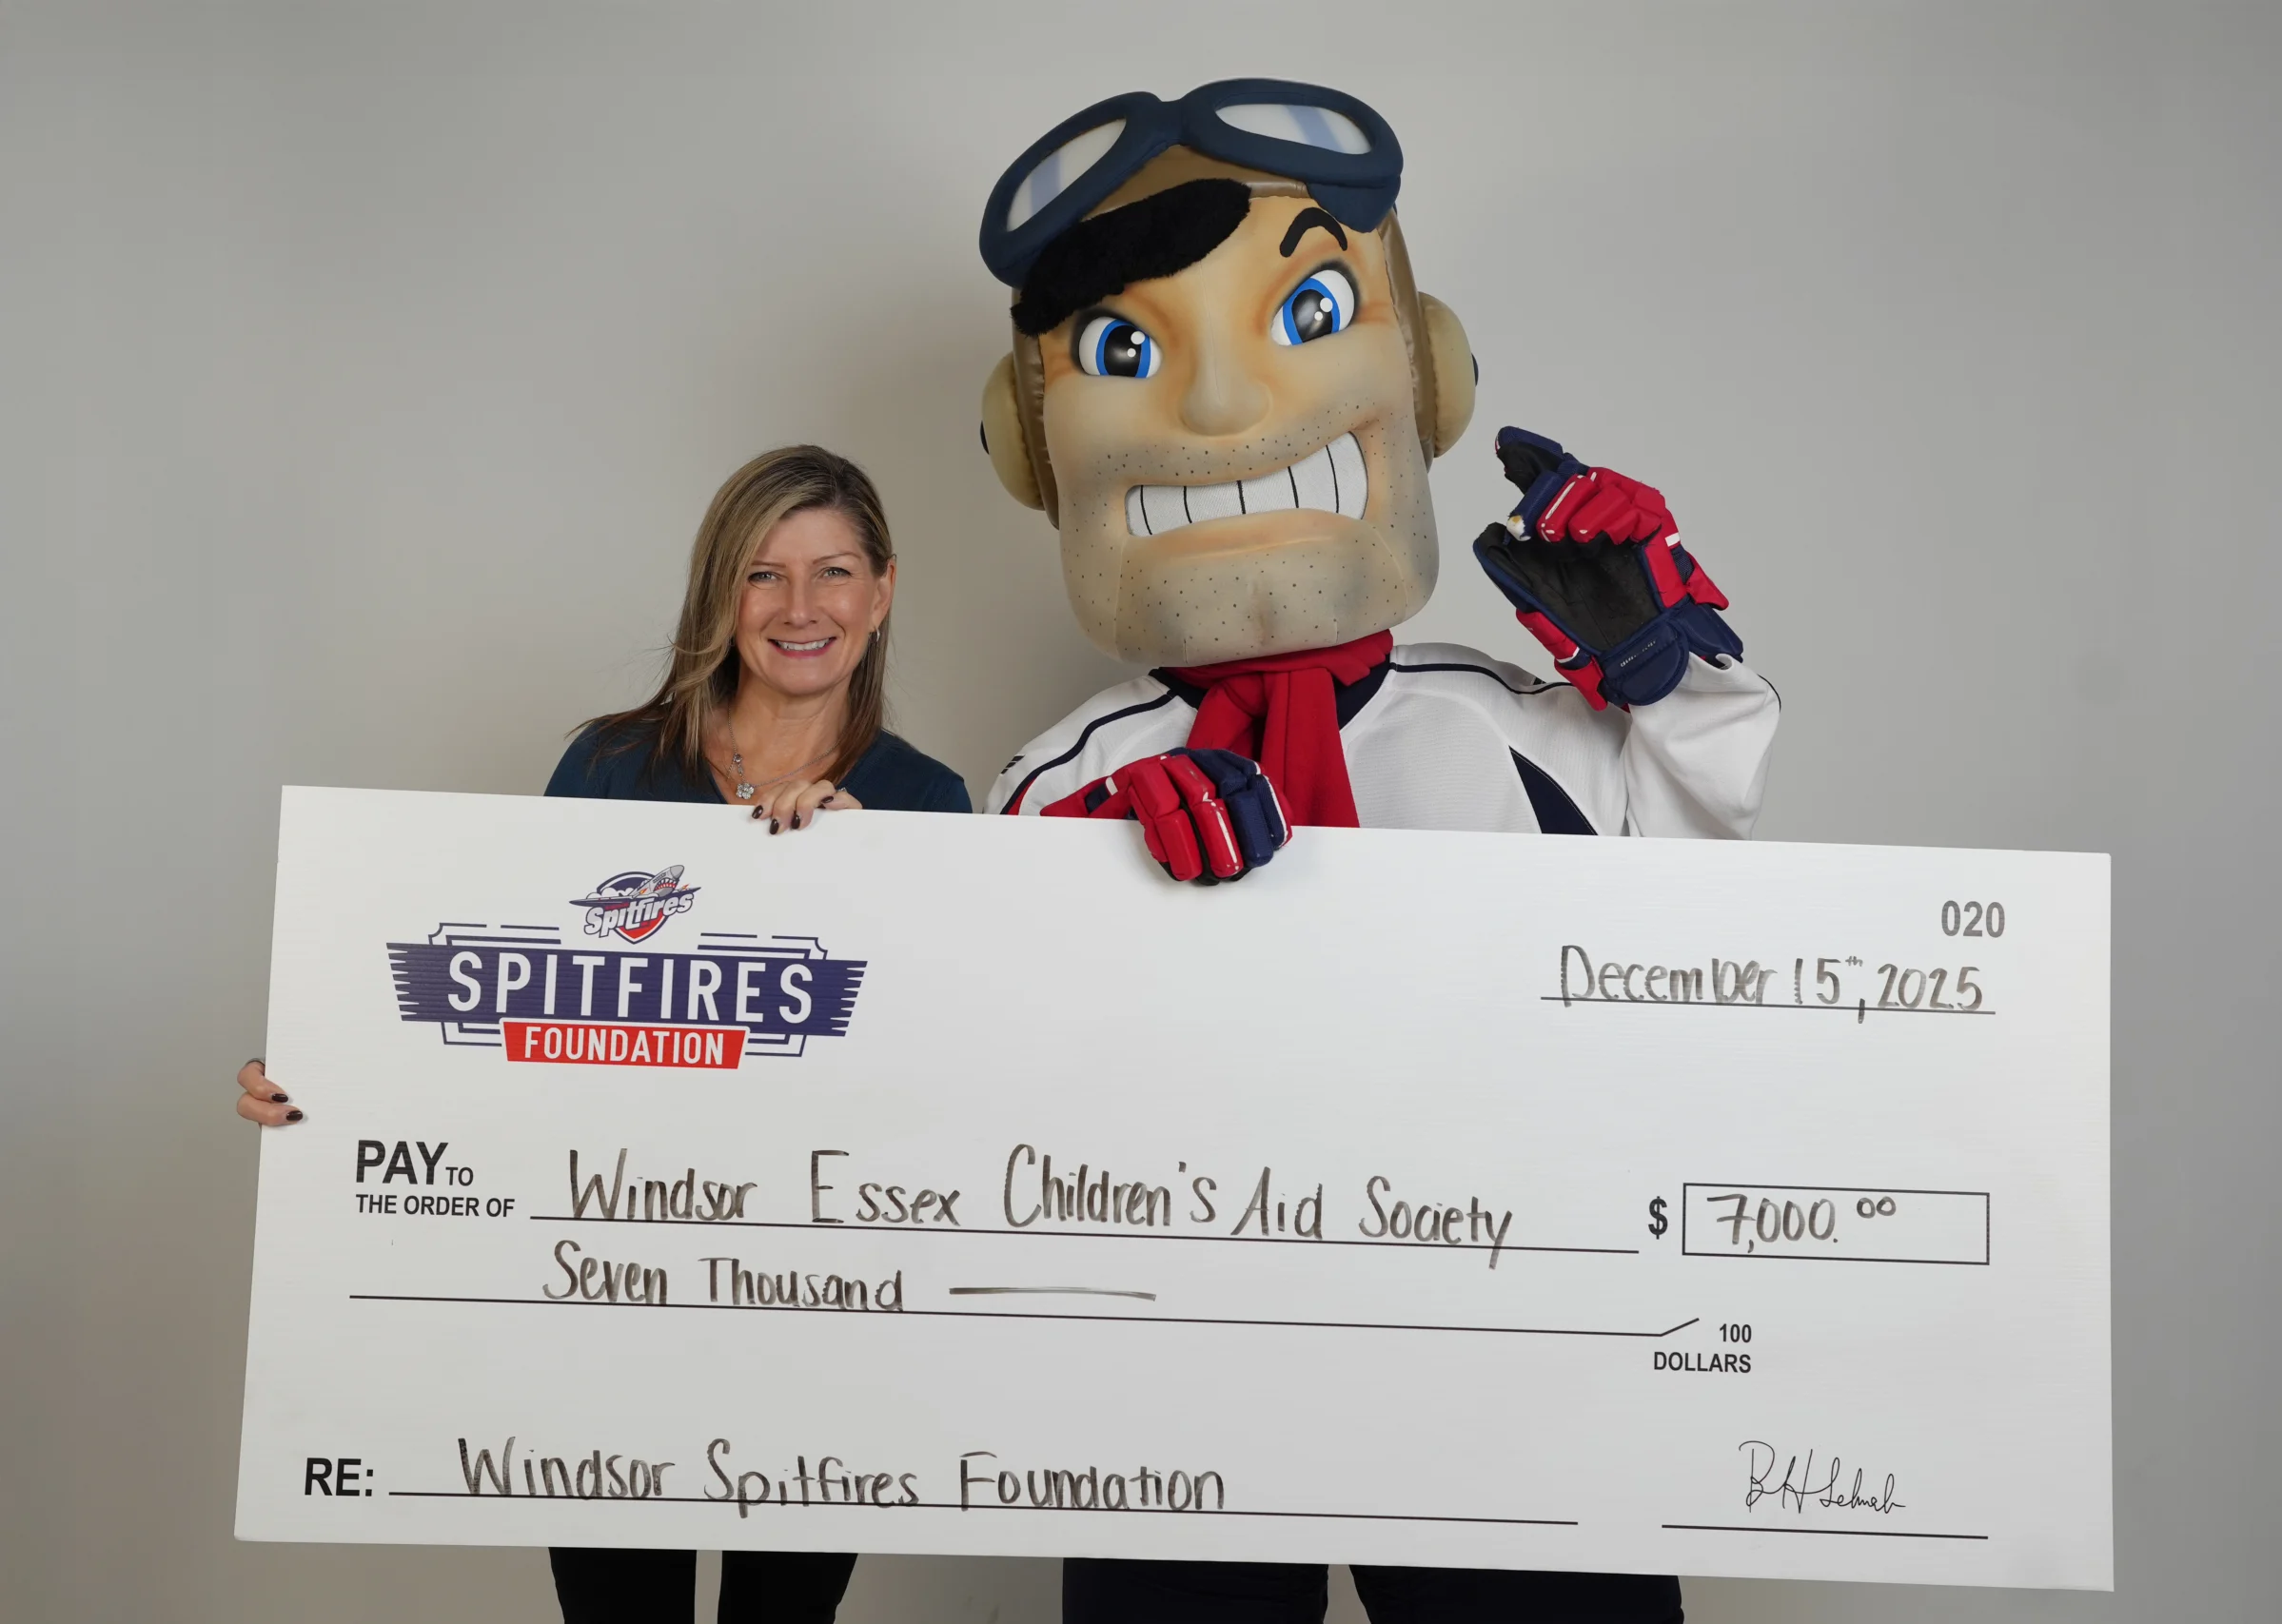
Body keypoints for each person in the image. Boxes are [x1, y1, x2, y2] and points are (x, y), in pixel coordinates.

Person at [972, 82, 1778, 1620]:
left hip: (1501, 1353)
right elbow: (977, 1093)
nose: (1224, 408)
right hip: (1191, 1375)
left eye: (1314, 310)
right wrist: (1074, 896)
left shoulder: (1512, 726)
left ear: (1428, 372)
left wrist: (1673, 673)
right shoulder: (1067, 780)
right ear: (1030, 443)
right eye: (1127, 352)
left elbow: (1699, 890)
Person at [234, 443, 969, 1624]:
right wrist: (328, 1082)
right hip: (603, 1295)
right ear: (719, 593)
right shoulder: (613, 766)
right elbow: (503, 1017)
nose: (800, 607)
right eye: (763, 573)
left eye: (832, 572)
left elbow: (946, 1074)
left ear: (881, 592)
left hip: (814, 1308)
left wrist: (863, 870)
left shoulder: (927, 803)